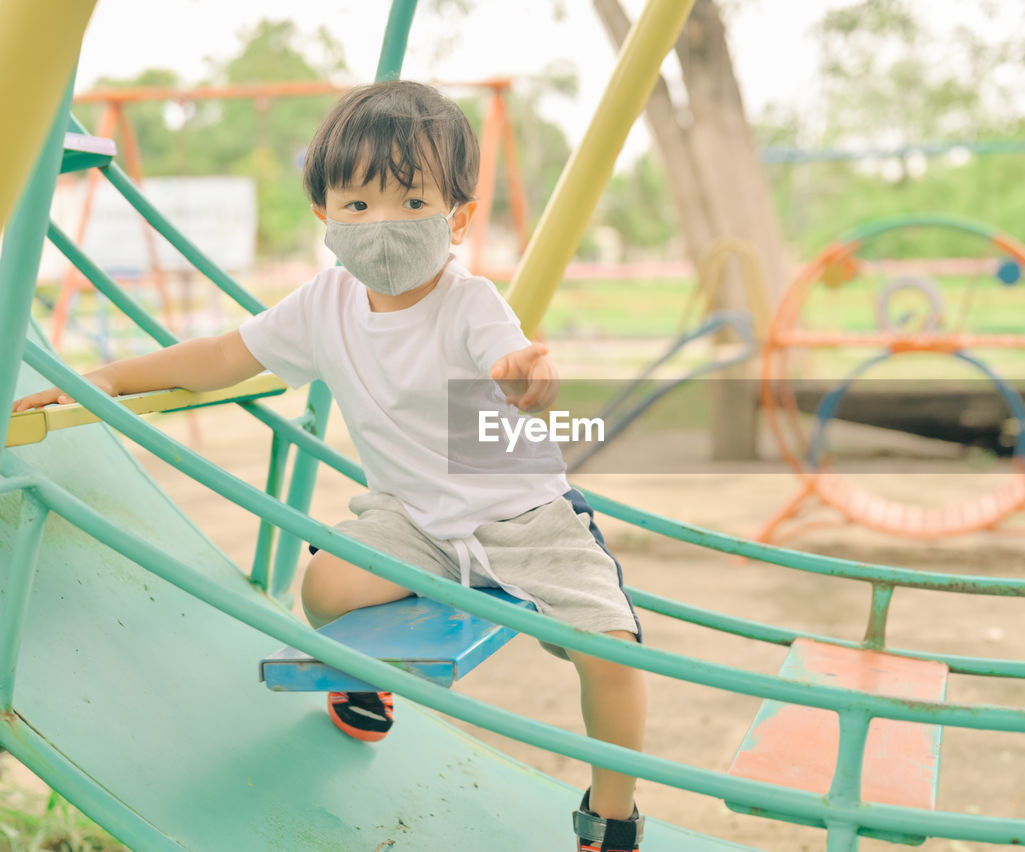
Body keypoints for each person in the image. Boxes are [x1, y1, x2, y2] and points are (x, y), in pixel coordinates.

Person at [13, 80, 647, 852]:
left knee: (611, 654)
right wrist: (110, 377)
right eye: (357, 205)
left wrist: (522, 376)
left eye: (413, 203)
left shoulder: (469, 302)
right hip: (413, 515)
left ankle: (612, 814)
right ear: (325, 216)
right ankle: (369, 681)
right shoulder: (323, 305)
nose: (382, 225)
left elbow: (507, 359)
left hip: (522, 514)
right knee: (326, 587)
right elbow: (220, 356)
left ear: (458, 217)